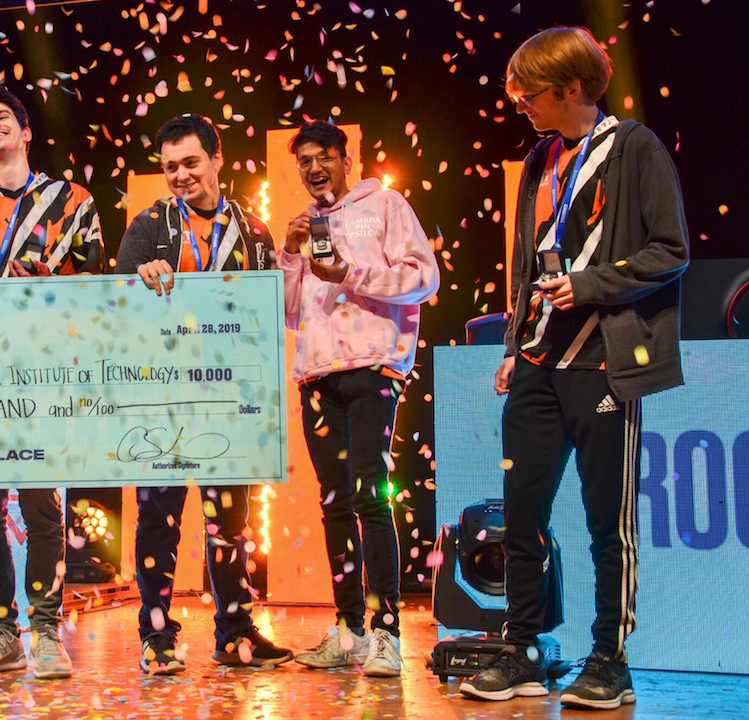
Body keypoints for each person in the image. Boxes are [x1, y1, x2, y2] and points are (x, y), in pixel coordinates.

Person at [460, 27, 688, 709]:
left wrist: (588, 285)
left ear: (571, 87)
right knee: (522, 513)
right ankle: (523, 648)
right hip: (537, 360)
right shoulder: (539, 157)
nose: (519, 103)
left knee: (605, 522)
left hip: (603, 361)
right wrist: (509, 345)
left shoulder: (633, 148)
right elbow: (525, 260)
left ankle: (609, 659)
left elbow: (669, 250)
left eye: (528, 92)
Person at [114, 113, 290, 675]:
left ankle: (234, 634)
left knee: (230, 526)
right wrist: (141, 277)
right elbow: (114, 302)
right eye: (170, 167)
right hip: (160, 398)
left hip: (227, 401)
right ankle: (157, 637)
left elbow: (265, 322)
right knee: (158, 523)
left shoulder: (254, 230)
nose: (181, 175)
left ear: (218, 159)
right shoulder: (149, 225)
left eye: (191, 162)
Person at [0, 83, 104, 679]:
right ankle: (2, 631)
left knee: (41, 507)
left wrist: (42, 278)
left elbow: (97, 286)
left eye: (2, 117)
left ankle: (45, 630)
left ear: (25, 130)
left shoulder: (73, 200)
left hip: (45, 377)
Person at [279, 121, 439, 677]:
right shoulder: (306, 227)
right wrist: (291, 252)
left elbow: (424, 277)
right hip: (317, 375)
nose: (314, 168)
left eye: (324, 157)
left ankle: (386, 633)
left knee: (371, 493)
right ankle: (347, 630)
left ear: (348, 159)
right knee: (334, 502)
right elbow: (289, 309)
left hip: (373, 366)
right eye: (304, 161)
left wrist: (351, 272)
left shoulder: (387, 205)